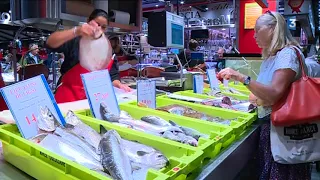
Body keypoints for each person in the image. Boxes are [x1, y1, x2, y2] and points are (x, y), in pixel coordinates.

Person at [218, 11, 311, 179]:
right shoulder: (272, 57)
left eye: (256, 30)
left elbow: (273, 94)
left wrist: (241, 77)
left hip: (285, 132)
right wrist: (258, 96)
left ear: (272, 29)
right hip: (273, 130)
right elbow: (263, 94)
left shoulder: (287, 54)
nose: (253, 36)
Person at [46, 9, 131, 98]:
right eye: (97, 24)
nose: (99, 29)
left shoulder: (106, 47)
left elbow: (113, 75)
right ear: (88, 21)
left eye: (103, 27)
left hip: (92, 97)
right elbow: (49, 43)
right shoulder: (75, 39)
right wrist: (76, 31)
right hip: (68, 95)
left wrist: (119, 85)